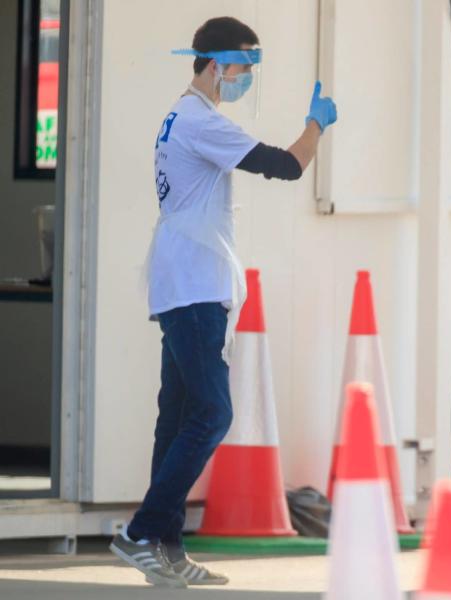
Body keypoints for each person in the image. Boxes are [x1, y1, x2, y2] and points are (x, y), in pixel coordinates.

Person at [108, 16, 338, 588]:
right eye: (243, 69)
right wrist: (316, 125)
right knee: (213, 412)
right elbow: (285, 165)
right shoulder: (200, 122)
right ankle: (140, 534)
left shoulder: (181, 118)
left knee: (179, 415)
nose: (246, 80)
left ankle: (164, 548)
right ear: (216, 65)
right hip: (192, 285)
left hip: (185, 278)